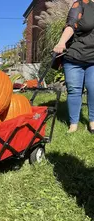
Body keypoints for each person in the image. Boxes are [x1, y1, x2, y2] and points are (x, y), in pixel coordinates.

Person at [53, 0, 94, 133]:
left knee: (93, 88)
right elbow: (71, 24)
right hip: (75, 56)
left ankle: (93, 121)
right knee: (74, 90)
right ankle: (73, 124)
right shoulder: (81, 4)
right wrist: (61, 42)